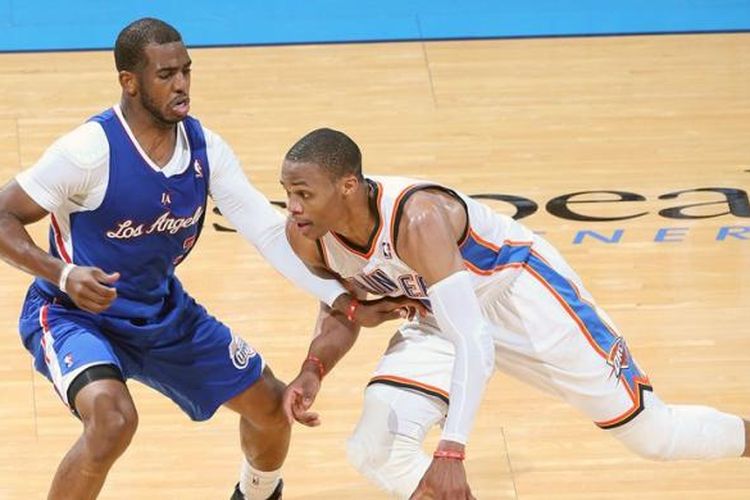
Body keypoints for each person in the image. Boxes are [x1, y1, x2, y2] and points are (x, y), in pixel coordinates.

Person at [0, 19, 412, 500]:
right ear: (129, 82)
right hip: (74, 315)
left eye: (186, 71)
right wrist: (63, 274)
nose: (181, 84)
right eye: (166, 74)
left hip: (160, 312)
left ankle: (256, 495)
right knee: (112, 422)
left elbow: (266, 231)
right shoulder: (88, 151)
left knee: (273, 407)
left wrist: (339, 296)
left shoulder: (206, 150)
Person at [279, 127, 750, 499]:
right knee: (375, 448)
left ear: (348, 185)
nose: (293, 206)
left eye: (303, 193)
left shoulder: (417, 218)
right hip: (438, 316)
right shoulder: (304, 233)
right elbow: (342, 306)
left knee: (654, 435)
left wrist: (452, 449)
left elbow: (475, 342)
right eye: (287, 192)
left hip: (522, 297)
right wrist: (313, 369)